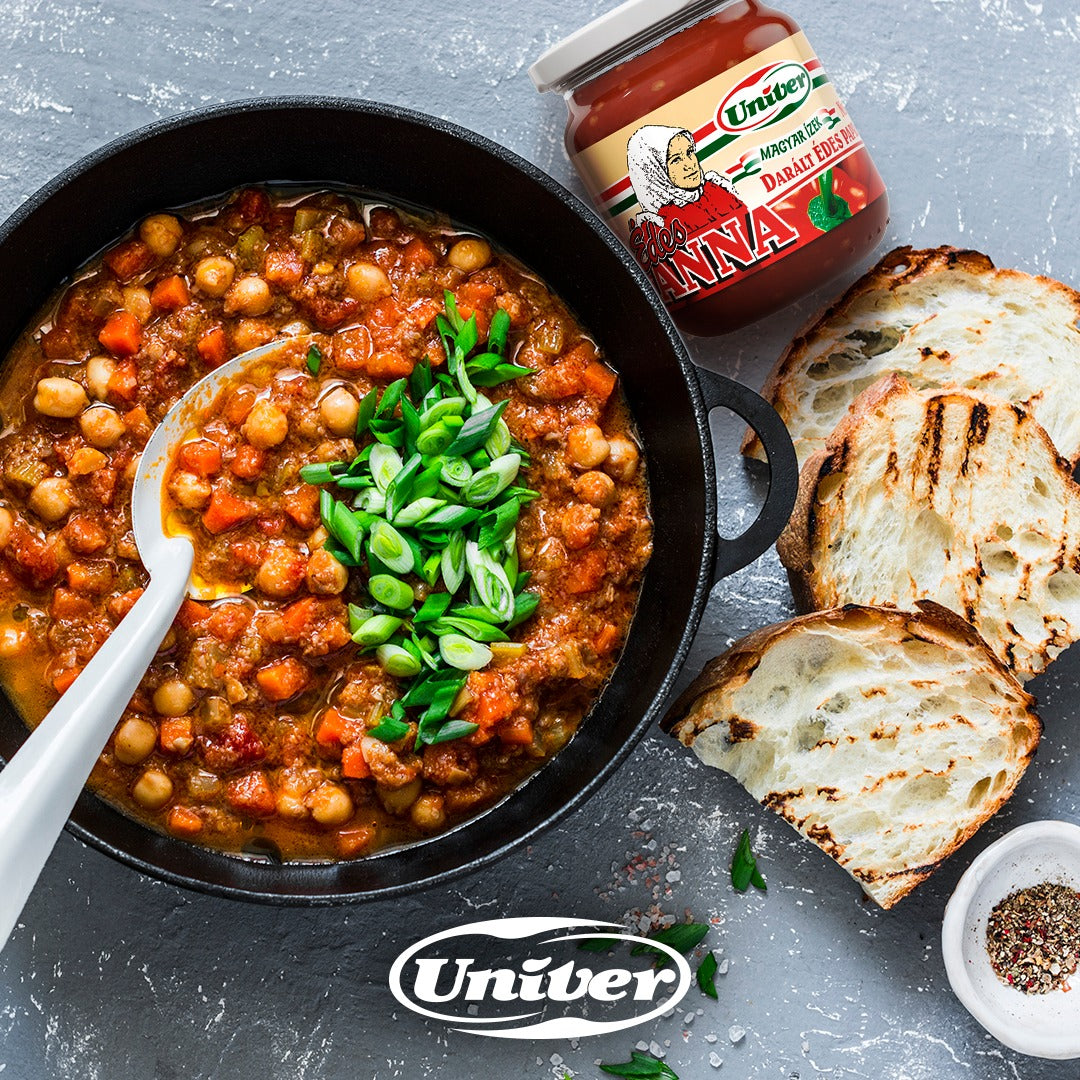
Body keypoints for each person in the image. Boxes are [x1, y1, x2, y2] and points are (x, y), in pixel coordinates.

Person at [627, 126, 747, 234]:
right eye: (676, 160)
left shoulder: (716, 187)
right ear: (655, 172)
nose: (689, 164)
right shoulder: (659, 226)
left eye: (689, 152)